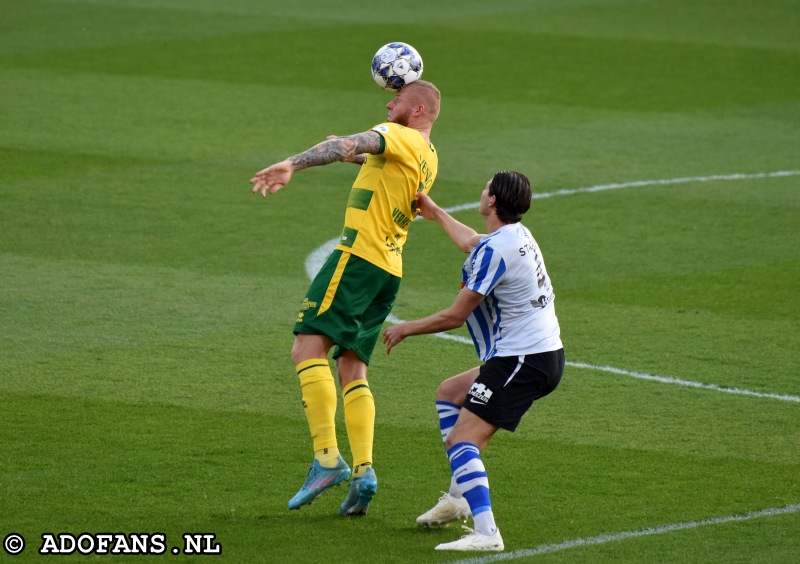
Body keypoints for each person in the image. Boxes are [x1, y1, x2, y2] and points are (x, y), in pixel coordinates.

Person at [250, 80, 441, 516]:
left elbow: (352, 144)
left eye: (395, 99)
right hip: (389, 271)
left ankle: (326, 460)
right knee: (352, 368)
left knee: (306, 348)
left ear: (415, 109)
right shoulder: (427, 155)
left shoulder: (399, 135)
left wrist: (291, 165)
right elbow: (355, 149)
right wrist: (341, 145)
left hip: (357, 259)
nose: (387, 101)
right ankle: (364, 470)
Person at [383, 171, 564, 551]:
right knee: (450, 393)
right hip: (536, 353)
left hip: (523, 360)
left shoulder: (498, 250)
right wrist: (434, 211)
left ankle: (487, 533)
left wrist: (405, 328)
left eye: (485, 189)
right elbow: (471, 242)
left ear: (493, 201)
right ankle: (459, 498)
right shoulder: (515, 236)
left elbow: (455, 316)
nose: (481, 192)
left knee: (463, 438)